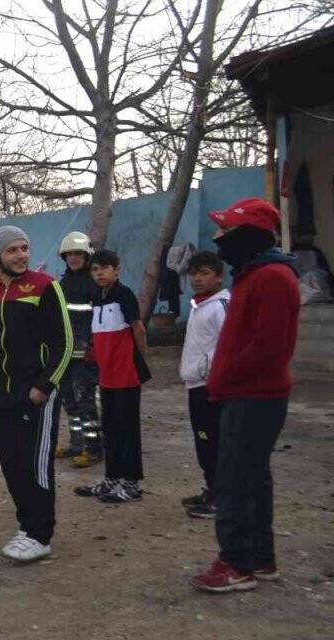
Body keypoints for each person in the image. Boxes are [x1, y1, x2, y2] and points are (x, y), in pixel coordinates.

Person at [191, 198, 300, 594]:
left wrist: (225, 379)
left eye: (226, 232)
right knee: (252, 478)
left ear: (248, 236)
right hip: (249, 393)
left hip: (253, 395)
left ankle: (235, 563)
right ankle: (259, 556)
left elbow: (269, 348)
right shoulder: (255, 274)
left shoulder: (271, 277)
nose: (218, 239)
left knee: (234, 479)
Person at [0, 226, 72, 562]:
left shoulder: (44, 286)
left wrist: (44, 386)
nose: (21, 255)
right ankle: (27, 527)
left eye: (24, 248)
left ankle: (40, 534)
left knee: (37, 463)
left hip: (35, 393)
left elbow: (64, 342)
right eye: (13, 250)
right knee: (13, 463)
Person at [73, 249, 150, 503]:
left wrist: (142, 360)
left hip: (126, 374)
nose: (99, 274)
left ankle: (132, 484)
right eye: (95, 270)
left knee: (128, 430)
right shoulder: (96, 297)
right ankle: (112, 479)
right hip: (106, 376)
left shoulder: (124, 295)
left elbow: (137, 329)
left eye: (104, 268)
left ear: (117, 269)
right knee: (111, 428)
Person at [179, 252, 230, 519]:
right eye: (194, 273)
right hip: (195, 383)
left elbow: (227, 345)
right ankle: (212, 489)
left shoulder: (221, 306)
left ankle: (222, 498)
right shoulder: (200, 305)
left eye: (205, 273)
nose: (197, 279)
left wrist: (211, 375)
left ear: (219, 277)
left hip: (211, 386)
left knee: (214, 442)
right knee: (203, 442)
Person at [54, 232, 103, 467]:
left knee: (86, 402)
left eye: (78, 254)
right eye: (70, 254)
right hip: (67, 353)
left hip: (86, 354)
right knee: (69, 400)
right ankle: (76, 443)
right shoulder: (63, 283)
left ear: (86, 256)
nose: (73, 258)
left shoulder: (93, 284)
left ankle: (93, 448)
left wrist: (93, 345)